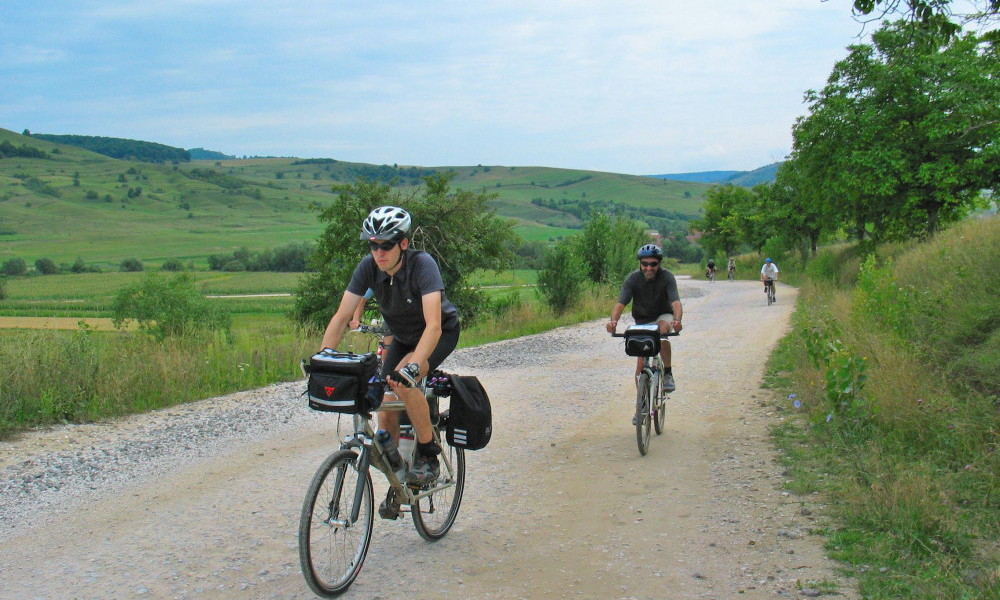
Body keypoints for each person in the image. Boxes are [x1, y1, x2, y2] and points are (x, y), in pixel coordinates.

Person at [320, 206, 460, 490]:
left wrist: (412, 367)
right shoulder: (369, 267)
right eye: (373, 245)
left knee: (403, 382)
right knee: (383, 397)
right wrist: (323, 358)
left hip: (438, 333)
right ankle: (397, 472)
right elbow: (342, 316)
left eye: (386, 245)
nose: (379, 252)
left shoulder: (423, 265)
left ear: (403, 244)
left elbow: (433, 325)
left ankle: (429, 455)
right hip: (401, 335)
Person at [606, 244, 684, 401]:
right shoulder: (633, 279)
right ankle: (642, 403)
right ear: (640, 264)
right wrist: (613, 322)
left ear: (659, 264)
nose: (649, 268)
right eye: (645, 264)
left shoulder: (667, 277)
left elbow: (675, 302)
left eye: (653, 264)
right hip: (642, 320)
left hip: (663, 314)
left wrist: (677, 320)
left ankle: (667, 373)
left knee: (662, 331)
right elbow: (620, 304)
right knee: (640, 366)